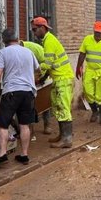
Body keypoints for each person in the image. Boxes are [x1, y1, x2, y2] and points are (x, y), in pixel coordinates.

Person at [0, 28, 40, 167]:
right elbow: (38, 69)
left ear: (4, 40)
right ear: (17, 39)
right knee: (24, 124)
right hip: (28, 93)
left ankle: (2, 154)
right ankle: (24, 155)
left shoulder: (3, 52)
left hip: (11, 92)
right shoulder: (28, 52)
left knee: (2, 124)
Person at [31, 17, 75, 148]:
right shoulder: (47, 41)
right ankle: (62, 135)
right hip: (59, 79)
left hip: (63, 79)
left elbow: (48, 64)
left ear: (42, 28)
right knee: (57, 107)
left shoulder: (49, 41)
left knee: (63, 108)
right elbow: (53, 65)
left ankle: (67, 139)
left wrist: (34, 69)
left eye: (35, 30)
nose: (34, 33)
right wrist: (43, 79)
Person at [20, 38, 52, 135]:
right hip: (29, 78)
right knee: (30, 103)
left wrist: (42, 78)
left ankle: (47, 125)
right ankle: (29, 129)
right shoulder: (17, 52)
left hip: (42, 75)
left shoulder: (34, 49)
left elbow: (48, 64)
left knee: (44, 101)